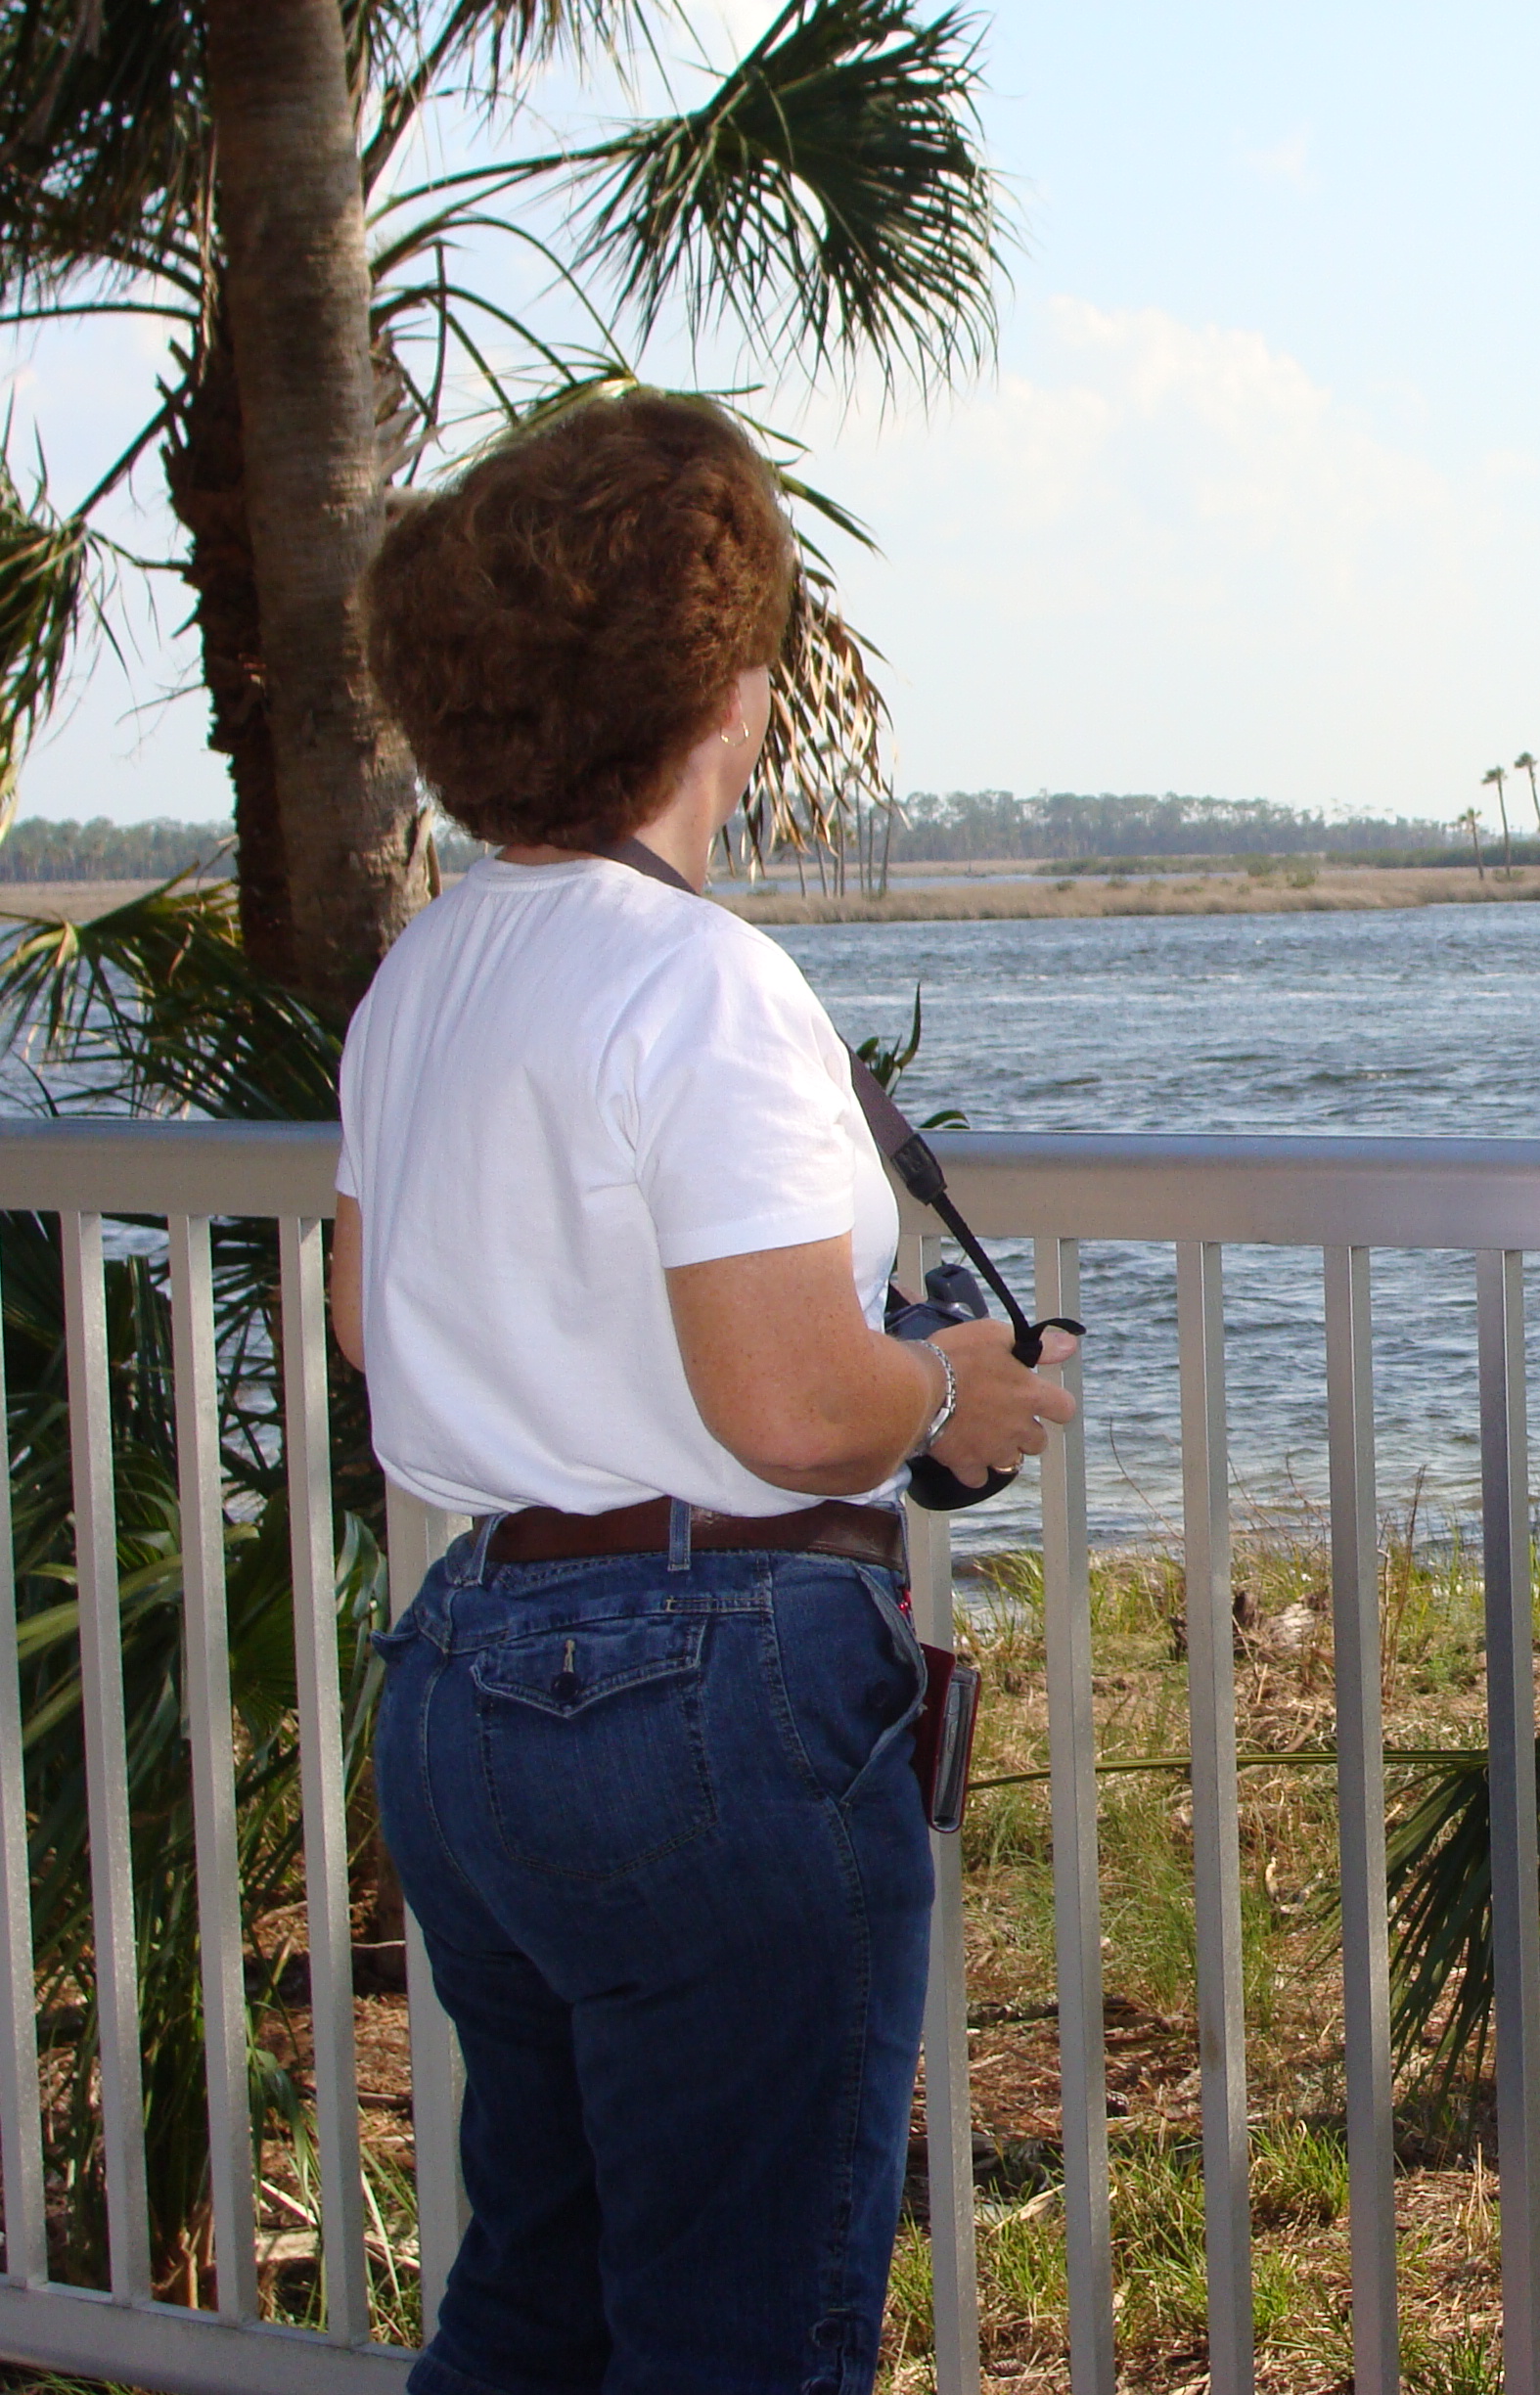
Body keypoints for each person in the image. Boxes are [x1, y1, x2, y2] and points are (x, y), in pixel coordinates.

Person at [335, 390, 1075, 2395]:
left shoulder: (429, 973)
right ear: (724, 695)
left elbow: (371, 1321)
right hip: (706, 1696)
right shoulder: (705, 980)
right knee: (743, 2325)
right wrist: (946, 1389)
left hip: (469, 1671)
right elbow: (785, 1411)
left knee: (540, 2297)